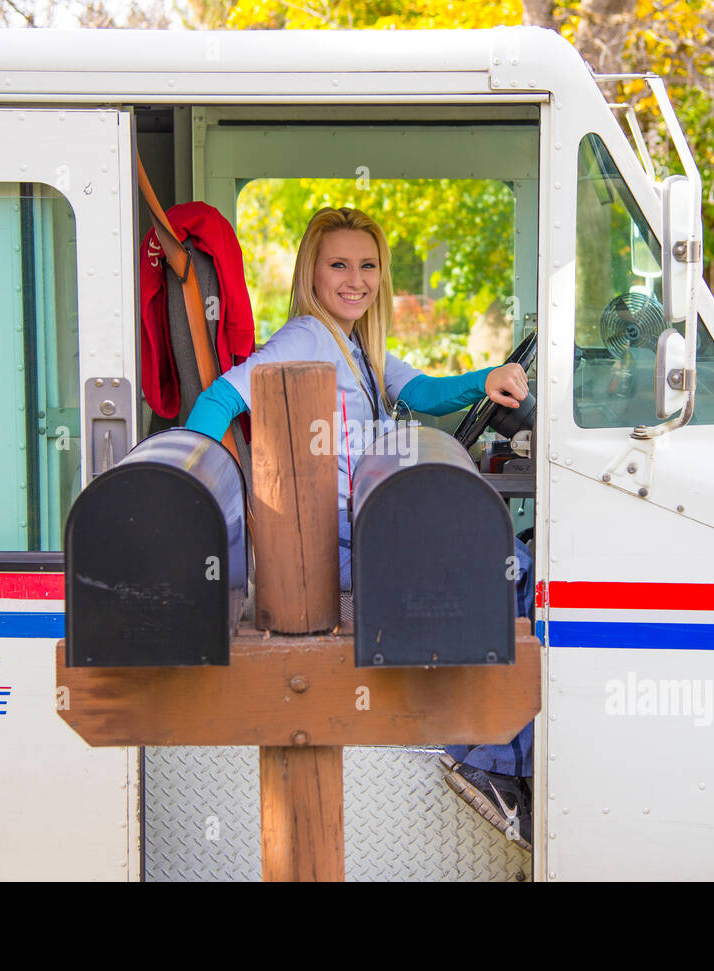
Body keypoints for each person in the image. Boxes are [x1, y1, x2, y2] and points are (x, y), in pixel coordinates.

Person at [184, 205, 535, 847]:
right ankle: (488, 763)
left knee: (512, 561)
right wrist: (195, 498)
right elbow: (218, 401)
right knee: (521, 571)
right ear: (311, 273)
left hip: (373, 524)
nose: (355, 279)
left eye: (367, 265)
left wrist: (487, 378)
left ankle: (494, 752)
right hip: (343, 542)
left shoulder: (358, 347)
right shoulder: (306, 339)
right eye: (339, 264)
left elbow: (424, 392)